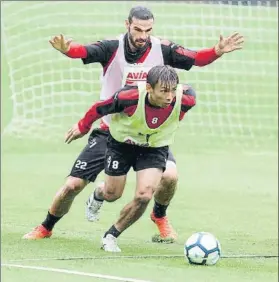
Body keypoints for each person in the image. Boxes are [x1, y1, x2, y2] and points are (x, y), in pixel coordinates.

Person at [23, 6, 244, 241]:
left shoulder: (163, 48)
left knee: (170, 177)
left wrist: (217, 50)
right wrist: (68, 50)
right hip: (111, 131)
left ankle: (159, 217)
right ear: (127, 24)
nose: (142, 36)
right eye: (137, 29)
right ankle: (46, 227)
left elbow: (195, 58)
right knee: (73, 186)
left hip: (149, 135)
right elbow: (85, 51)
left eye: (147, 30)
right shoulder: (112, 47)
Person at [65, 65, 196, 252]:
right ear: (149, 88)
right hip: (121, 146)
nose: (170, 97)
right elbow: (99, 108)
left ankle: (111, 235)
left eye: (173, 90)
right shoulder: (128, 97)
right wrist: (82, 127)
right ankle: (98, 194)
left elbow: (174, 115)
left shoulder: (187, 99)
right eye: (164, 91)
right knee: (112, 194)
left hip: (154, 147)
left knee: (144, 195)